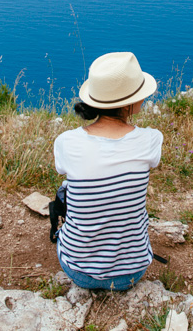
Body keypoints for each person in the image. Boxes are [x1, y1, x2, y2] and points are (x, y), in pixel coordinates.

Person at [53, 52, 163, 290]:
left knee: (67, 187)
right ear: (129, 103)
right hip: (133, 272)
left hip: (78, 270)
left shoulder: (67, 142)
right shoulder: (151, 140)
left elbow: (62, 169)